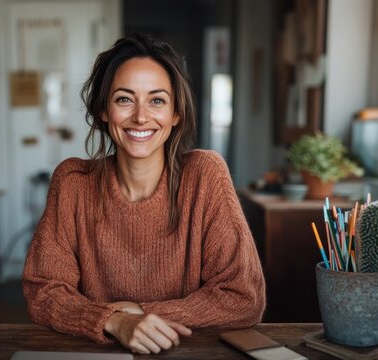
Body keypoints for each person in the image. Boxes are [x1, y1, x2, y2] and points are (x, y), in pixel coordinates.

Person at [23, 33, 266, 355]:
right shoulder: (73, 182)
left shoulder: (205, 176)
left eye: (157, 100)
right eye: (124, 99)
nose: (140, 116)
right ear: (103, 110)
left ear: (176, 113)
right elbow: (43, 292)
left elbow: (243, 298)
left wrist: (136, 314)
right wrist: (114, 322)